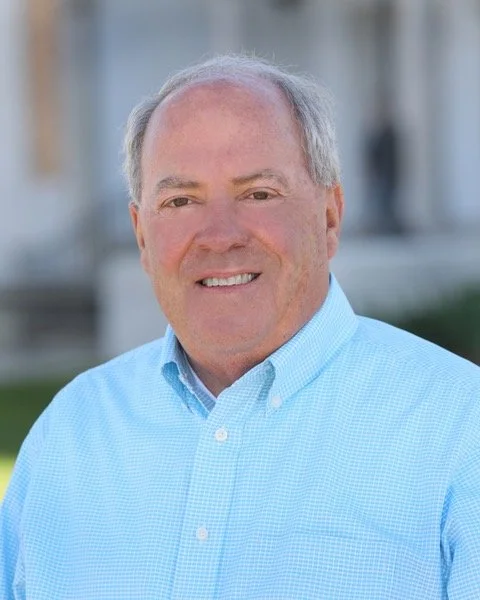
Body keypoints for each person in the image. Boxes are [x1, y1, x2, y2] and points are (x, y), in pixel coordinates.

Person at [1, 54, 479, 600]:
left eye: (258, 194)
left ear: (329, 216)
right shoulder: (70, 435)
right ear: (141, 236)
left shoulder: (460, 430)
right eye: (181, 200)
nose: (219, 235)